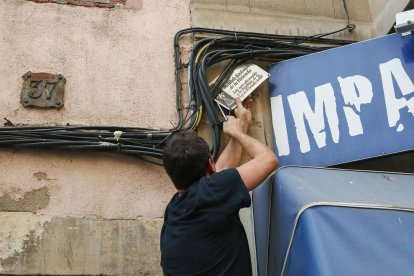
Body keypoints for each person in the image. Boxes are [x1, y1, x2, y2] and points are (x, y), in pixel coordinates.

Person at [160, 98, 278, 276]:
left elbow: (221, 173)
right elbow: (268, 160)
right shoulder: (213, 194)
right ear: (210, 164)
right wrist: (236, 133)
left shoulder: (174, 209)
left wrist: (241, 127)